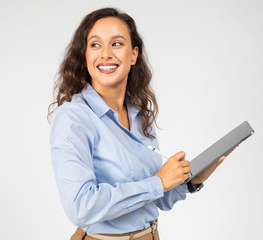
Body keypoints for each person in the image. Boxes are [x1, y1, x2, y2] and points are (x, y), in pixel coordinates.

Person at [48, 7, 231, 240]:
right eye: (95, 44)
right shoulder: (74, 118)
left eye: (116, 44)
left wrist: (191, 180)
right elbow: (80, 205)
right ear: (84, 55)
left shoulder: (139, 114)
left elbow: (156, 196)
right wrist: (157, 183)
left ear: (133, 54)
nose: (105, 53)